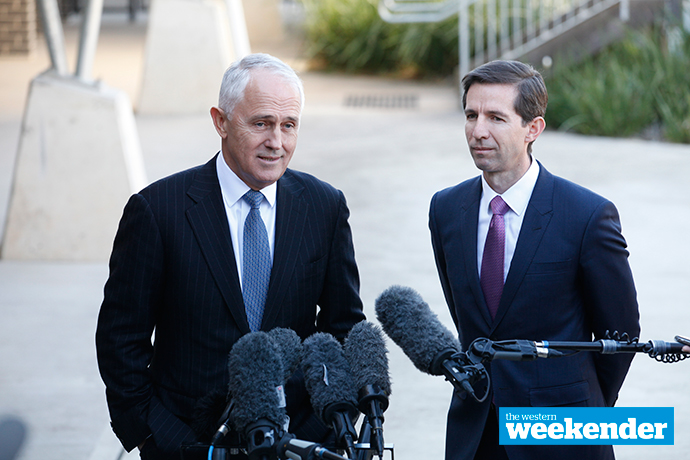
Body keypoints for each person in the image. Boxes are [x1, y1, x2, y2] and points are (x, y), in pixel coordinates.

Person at [95, 53, 365, 459]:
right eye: (261, 124)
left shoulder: (324, 207)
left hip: (297, 443)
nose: (277, 142)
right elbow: (121, 339)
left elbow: (342, 329)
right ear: (220, 121)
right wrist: (156, 435)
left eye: (288, 126)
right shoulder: (158, 210)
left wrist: (316, 431)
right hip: (186, 442)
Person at [428, 60, 640, 460]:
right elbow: (468, 319)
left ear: (533, 129)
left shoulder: (587, 215)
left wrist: (584, 404)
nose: (478, 131)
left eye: (496, 117)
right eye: (471, 115)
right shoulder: (445, 209)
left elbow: (621, 334)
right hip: (474, 434)